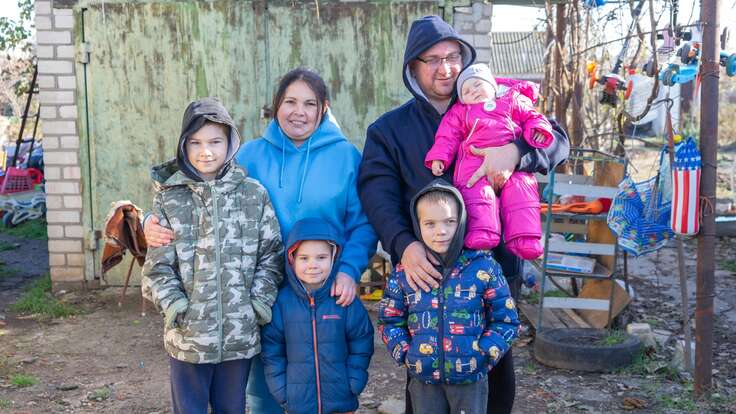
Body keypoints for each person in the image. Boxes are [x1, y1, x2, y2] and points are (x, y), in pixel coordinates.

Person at [357, 15, 570, 413]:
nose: (446, 68)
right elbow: (377, 195)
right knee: (423, 382)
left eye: (453, 56)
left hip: (493, 264)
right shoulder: (389, 131)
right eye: (432, 59)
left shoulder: (497, 102)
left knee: (496, 374)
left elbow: (558, 140)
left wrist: (517, 152)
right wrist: (404, 247)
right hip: (428, 271)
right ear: (412, 69)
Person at [144, 68, 377, 413]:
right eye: (290, 101)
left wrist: (348, 270)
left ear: (324, 108)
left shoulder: (346, 157)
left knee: (318, 382)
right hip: (259, 293)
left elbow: (363, 223)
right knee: (262, 386)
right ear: (276, 105)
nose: (299, 111)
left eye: (309, 103)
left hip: (320, 290)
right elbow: (199, 186)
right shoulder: (250, 155)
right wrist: (150, 220)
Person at [141, 97, 284, 414]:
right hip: (188, 337)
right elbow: (158, 268)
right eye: (195, 142)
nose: (206, 151)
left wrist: (258, 304)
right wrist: (176, 307)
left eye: (215, 141)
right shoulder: (170, 199)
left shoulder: (253, 194)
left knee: (231, 408)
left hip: (239, 335)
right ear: (183, 145)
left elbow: (272, 256)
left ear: (231, 142)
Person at [378, 181, 519, 414]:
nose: (440, 231)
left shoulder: (483, 267)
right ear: (418, 225)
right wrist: (405, 353)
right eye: (430, 224)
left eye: (449, 222)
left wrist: (484, 354)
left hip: (470, 381)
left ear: (461, 221)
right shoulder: (406, 272)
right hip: (424, 380)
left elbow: (507, 320)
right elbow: (389, 319)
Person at [426, 63, 553, 260]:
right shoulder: (461, 111)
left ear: (493, 85)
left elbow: (533, 116)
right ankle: (482, 231)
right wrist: (439, 157)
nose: (473, 91)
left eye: (477, 85)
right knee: (477, 193)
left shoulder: (512, 100)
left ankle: (526, 238)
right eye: (466, 91)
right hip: (474, 165)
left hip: (514, 167)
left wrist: (537, 130)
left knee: (522, 190)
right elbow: (447, 136)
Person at [261, 217, 374, 414]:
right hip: (298, 402)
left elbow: (362, 340)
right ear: (291, 259)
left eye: (321, 257)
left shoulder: (343, 298)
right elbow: (272, 351)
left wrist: (354, 382)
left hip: (341, 400)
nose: (313, 265)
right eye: (304, 258)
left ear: (333, 258)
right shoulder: (282, 303)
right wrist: (282, 392)